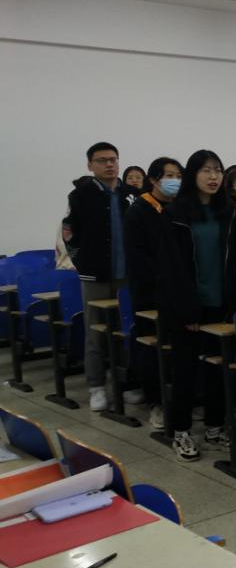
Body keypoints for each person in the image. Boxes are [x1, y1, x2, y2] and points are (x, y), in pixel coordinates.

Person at [155, 149, 236, 461]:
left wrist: (234, 304)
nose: (213, 176)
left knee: (218, 370)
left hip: (221, 305)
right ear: (192, 175)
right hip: (187, 307)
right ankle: (180, 431)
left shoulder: (229, 213)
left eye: (218, 170)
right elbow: (170, 269)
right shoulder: (174, 215)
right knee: (185, 370)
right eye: (206, 170)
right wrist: (186, 310)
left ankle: (214, 427)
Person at [65, 142, 142, 412]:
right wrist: (83, 264)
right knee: (95, 332)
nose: (109, 164)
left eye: (113, 159)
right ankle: (96, 386)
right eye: (102, 160)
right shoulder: (80, 195)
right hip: (95, 276)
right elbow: (69, 234)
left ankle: (126, 382)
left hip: (127, 277)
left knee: (126, 330)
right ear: (90, 165)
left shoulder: (132, 194)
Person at [123, 156, 183, 430]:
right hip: (150, 291)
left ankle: (182, 400)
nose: (175, 181)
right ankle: (155, 402)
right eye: (169, 176)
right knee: (151, 347)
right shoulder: (138, 211)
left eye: (178, 176)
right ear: (154, 179)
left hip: (180, 290)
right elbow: (138, 257)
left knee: (178, 349)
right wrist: (165, 278)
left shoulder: (180, 209)